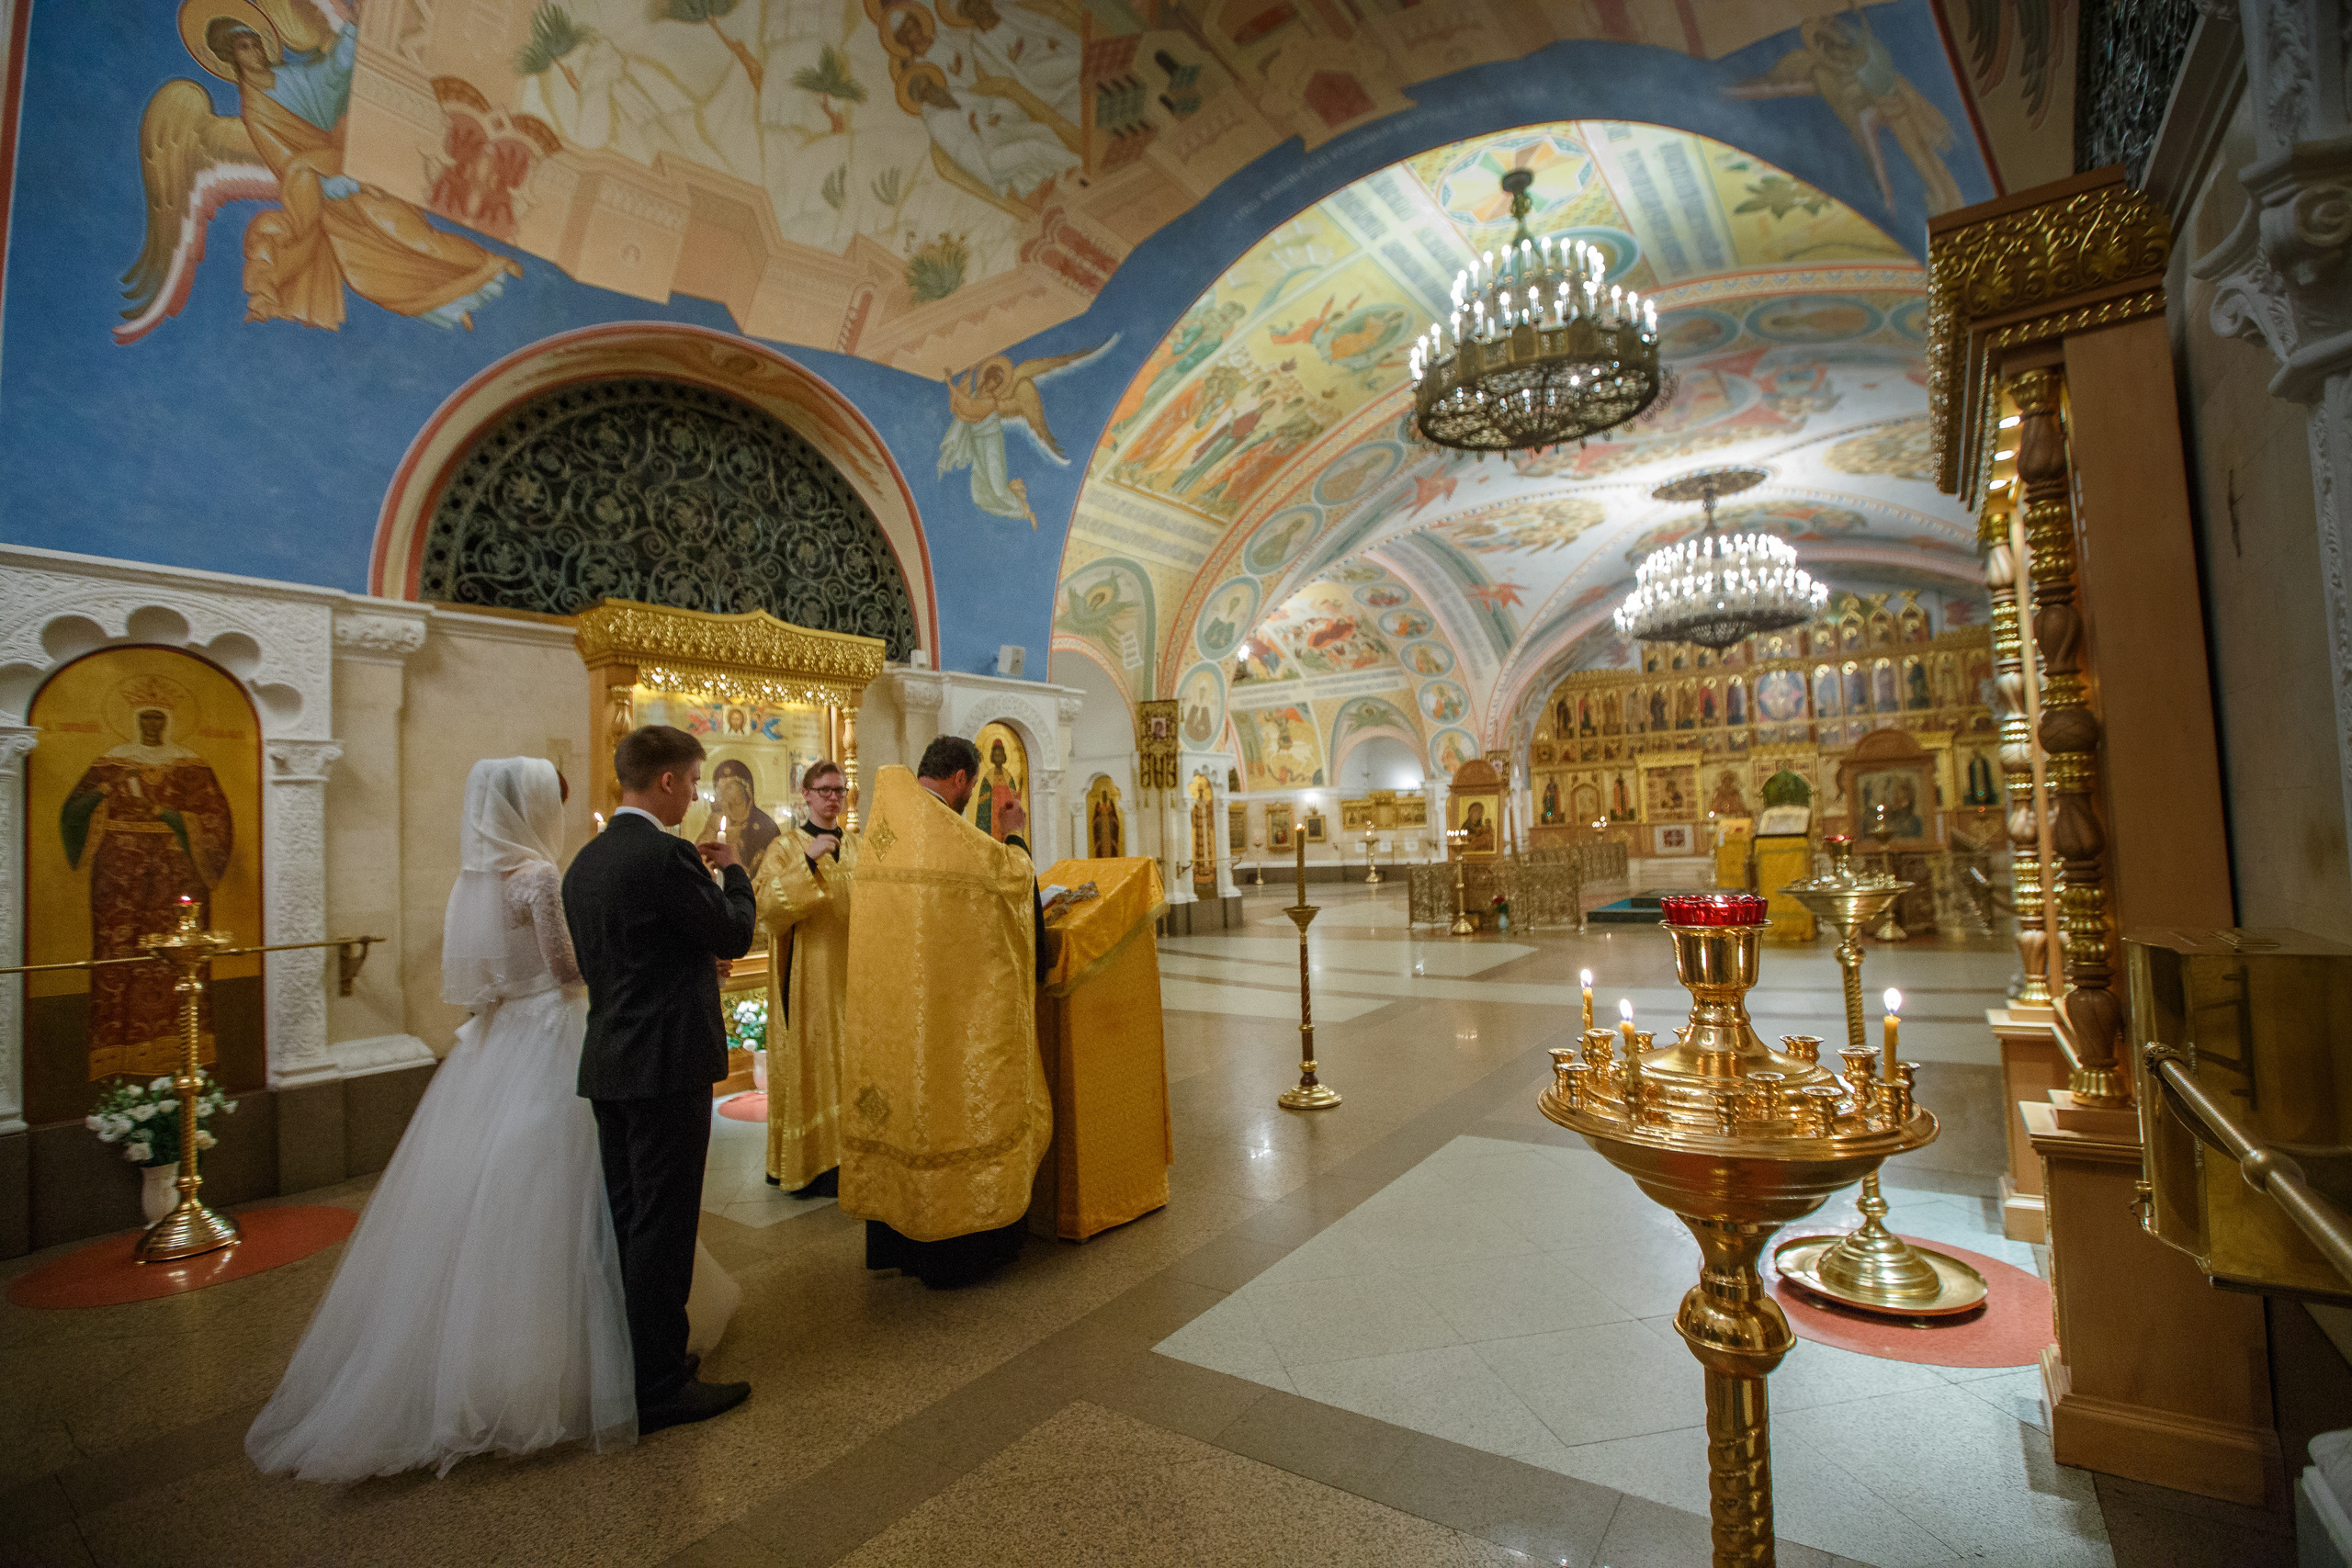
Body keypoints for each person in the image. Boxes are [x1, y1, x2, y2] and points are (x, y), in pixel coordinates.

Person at [247, 759, 635, 1480]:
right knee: (561, 1189)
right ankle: (567, 1355)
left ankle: (473, 1351)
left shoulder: (473, 879)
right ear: (533, 807)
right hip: (550, 1033)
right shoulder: (539, 878)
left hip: (493, 1040)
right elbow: (565, 969)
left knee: (484, 1192)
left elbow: (482, 973)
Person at [565, 726, 757, 1433]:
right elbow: (732, 933)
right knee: (666, 1225)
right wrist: (733, 871)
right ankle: (659, 1383)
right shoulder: (665, 854)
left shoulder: (585, 862)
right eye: (695, 780)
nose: (698, 795)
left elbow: (624, 955)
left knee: (631, 1220)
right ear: (669, 781)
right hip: (667, 1064)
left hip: (610, 1060)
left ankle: (636, 1363)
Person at [841, 735, 1050, 1288]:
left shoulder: (886, 834)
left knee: (906, 1110)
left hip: (893, 1019)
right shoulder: (948, 833)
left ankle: (898, 1237)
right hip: (945, 1022)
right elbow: (1012, 879)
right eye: (973, 786)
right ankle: (960, 1249)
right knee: (949, 1107)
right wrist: (1013, 832)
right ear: (961, 780)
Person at [753, 760, 857, 1196]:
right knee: (814, 1059)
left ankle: (850, 1157)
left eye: (840, 789)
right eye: (825, 789)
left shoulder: (858, 845)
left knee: (851, 1061)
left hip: (853, 971)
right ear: (807, 795)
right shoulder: (784, 847)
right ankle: (813, 1164)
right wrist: (808, 864)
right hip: (807, 977)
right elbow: (767, 910)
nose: (834, 797)